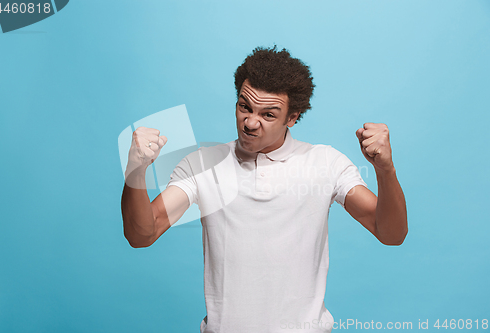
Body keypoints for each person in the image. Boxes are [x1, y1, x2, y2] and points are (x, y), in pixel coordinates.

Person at [121, 46, 408, 333]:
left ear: (292, 118)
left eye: (268, 114)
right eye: (244, 106)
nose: (250, 123)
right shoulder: (202, 164)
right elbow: (142, 234)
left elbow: (391, 233)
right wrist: (136, 170)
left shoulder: (326, 163)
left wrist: (385, 170)